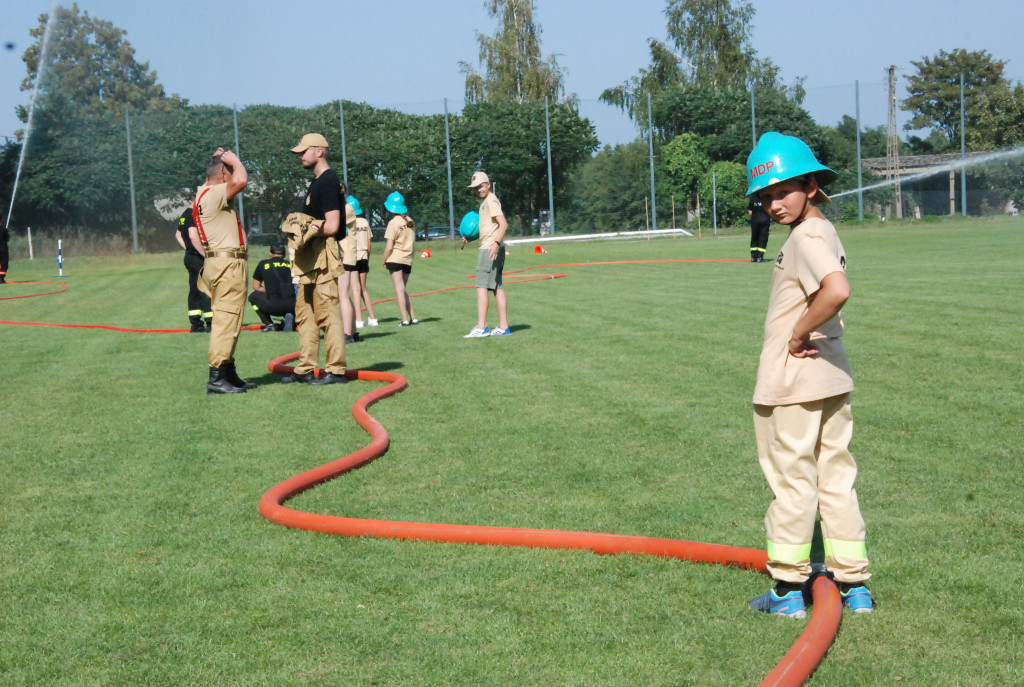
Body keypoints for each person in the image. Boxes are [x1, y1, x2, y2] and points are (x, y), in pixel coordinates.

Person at [744, 132, 873, 618]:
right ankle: (853, 585)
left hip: (794, 382)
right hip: (830, 379)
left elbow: (836, 290)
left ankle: (786, 591)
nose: (773, 204)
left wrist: (798, 334)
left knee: (793, 481)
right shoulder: (823, 230)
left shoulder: (807, 235)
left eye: (783, 191)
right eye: (766, 196)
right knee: (836, 478)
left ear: (812, 186)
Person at [283, 132, 347, 385]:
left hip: (323, 254)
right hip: (308, 256)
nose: (300, 155)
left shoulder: (328, 180)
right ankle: (305, 368)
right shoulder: (317, 181)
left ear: (319, 151)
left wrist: (307, 227)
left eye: (304, 150)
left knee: (327, 312)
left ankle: (336, 370)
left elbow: (332, 226)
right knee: (305, 313)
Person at [193, 148, 254, 394]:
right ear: (222, 176)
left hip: (225, 265)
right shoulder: (212, 194)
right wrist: (234, 161)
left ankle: (227, 371)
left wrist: (221, 160)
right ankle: (217, 377)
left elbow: (232, 178)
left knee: (232, 320)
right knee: (226, 320)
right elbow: (241, 180)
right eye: (228, 173)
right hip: (227, 265)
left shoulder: (205, 194)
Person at [463, 171, 510, 337]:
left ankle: (482, 327)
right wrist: (471, 237)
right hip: (492, 245)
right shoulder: (485, 201)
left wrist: (495, 244)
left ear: (488, 185)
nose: (478, 190)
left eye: (481, 186)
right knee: (497, 286)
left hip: (490, 248)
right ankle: (504, 327)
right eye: (476, 188)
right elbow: (488, 227)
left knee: (481, 286)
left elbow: (503, 224)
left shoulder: (490, 200)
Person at [381, 191, 418, 327]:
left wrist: (384, 260)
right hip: (408, 260)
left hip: (396, 259)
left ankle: (404, 320)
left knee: (399, 289)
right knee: (403, 289)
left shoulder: (393, 223)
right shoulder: (409, 221)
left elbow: (389, 247)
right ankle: (413, 318)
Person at [174, 206, 213, 332]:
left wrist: (188, 249)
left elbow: (178, 235)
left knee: (194, 290)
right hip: (198, 257)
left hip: (190, 257)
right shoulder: (193, 214)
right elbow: (192, 235)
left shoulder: (185, 214)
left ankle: (196, 324)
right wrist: (204, 254)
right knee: (205, 289)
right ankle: (211, 323)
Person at [248, 243, 295, 332]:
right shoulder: (291, 265)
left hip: (272, 306)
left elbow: (256, 287)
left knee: (252, 297)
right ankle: (291, 317)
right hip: (292, 305)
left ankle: (269, 324)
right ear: (284, 255)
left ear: (270, 254)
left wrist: (269, 291)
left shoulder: (263, 264)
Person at [347, 195, 378, 329]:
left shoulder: (348, 223)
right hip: (364, 256)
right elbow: (369, 244)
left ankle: (358, 320)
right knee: (363, 289)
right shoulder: (365, 222)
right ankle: (373, 318)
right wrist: (368, 258)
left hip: (353, 257)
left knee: (355, 289)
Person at [338, 194, 361, 344]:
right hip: (348, 255)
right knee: (345, 295)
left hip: (344, 255)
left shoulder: (345, 209)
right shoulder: (346, 208)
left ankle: (346, 334)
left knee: (343, 295)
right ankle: (352, 331)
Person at [748, 193, 772, 263]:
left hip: (754, 220)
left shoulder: (752, 199)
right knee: (763, 238)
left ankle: (753, 257)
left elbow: (750, 212)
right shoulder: (767, 199)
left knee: (754, 237)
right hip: (764, 220)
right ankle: (760, 257)